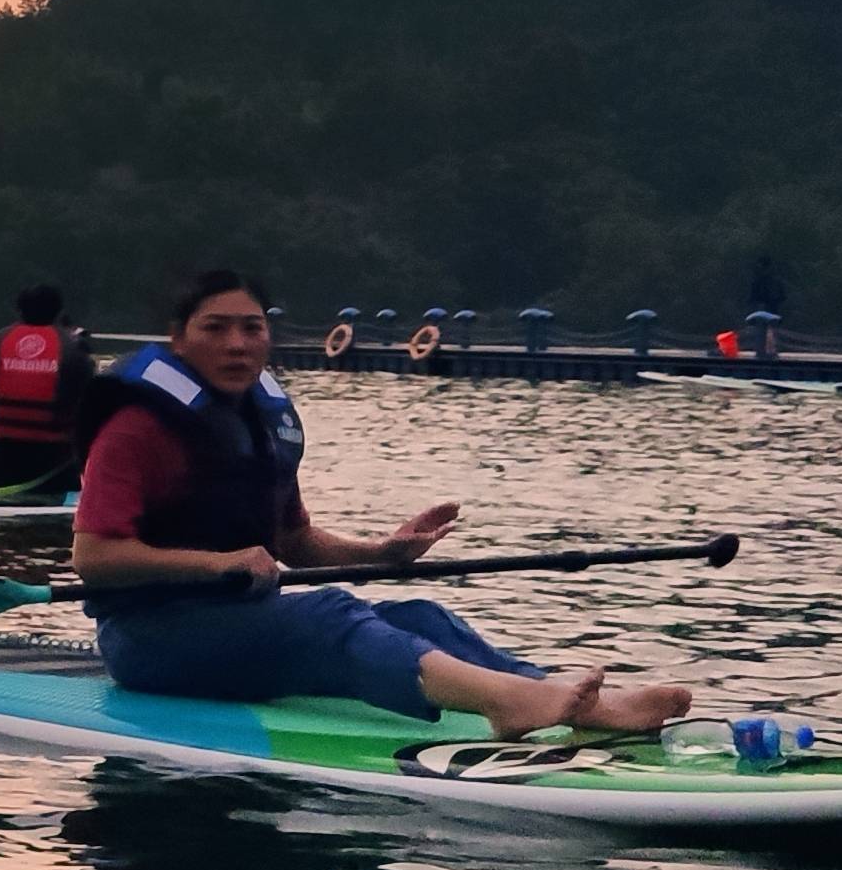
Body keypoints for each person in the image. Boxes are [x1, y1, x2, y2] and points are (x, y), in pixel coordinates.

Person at [72, 270, 694, 738]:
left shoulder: (262, 422)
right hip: (152, 640)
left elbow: (293, 541)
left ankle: (585, 706)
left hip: (241, 628)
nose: (237, 343)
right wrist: (212, 565)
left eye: (252, 327)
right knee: (332, 615)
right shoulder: (137, 427)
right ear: (178, 341)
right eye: (216, 328)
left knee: (418, 615)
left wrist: (386, 553)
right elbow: (95, 557)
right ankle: (507, 703)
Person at [0, 283, 92, 492]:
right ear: (59, 313)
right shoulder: (75, 351)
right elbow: (93, 419)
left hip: (0, 467)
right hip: (56, 470)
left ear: (19, 311)